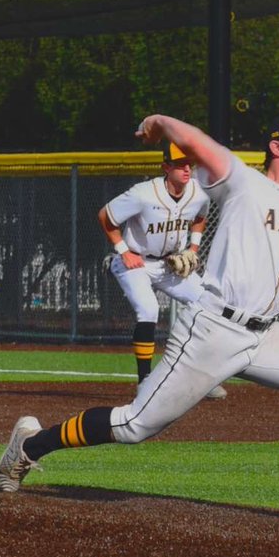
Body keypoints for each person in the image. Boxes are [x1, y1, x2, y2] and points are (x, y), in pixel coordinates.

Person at [0, 111, 279, 541]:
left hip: (265, 334)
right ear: (277, 146)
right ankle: (28, 446)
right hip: (214, 328)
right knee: (135, 425)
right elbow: (196, 141)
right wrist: (160, 122)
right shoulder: (244, 182)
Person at [98, 142, 225, 399]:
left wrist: (193, 248)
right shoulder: (143, 193)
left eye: (189, 163)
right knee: (149, 310)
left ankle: (204, 378)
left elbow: (200, 217)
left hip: (170, 264)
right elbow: (105, 216)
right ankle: (145, 382)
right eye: (180, 165)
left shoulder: (198, 192)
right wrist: (123, 251)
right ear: (166, 167)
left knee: (210, 304)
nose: (187, 169)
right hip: (136, 263)